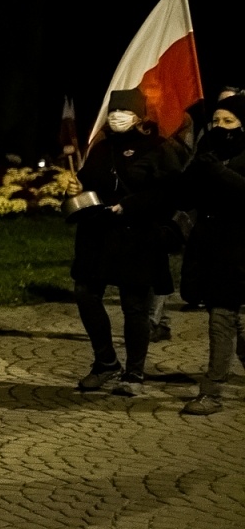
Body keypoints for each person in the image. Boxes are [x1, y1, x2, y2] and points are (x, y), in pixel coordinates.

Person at [71, 88, 185, 397]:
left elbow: (171, 191)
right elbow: (88, 184)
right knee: (85, 292)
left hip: (137, 236)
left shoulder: (158, 148)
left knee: (134, 306)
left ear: (139, 117)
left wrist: (131, 205)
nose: (116, 117)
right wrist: (74, 188)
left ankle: (134, 373)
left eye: (123, 112)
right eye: (112, 112)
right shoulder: (100, 149)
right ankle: (105, 361)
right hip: (98, 234)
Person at [177, 95, 245, 415]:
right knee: (231, 321)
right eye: (216, 121)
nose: (220, 127)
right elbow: (187, 193)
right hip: (211, 247)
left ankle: (211, 391)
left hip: (240, 247)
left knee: (222, 318)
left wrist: (218, 171)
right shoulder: (208, 149)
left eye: (228, 121)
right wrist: (195, 168)